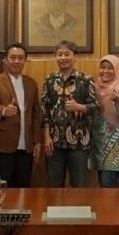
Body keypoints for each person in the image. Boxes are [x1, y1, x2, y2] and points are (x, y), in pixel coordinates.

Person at [0, 42, 42, 187]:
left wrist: (37, 141)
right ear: (5, 60)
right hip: (1, 145)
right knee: (1, 188)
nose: (16, 61)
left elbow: (36, 115)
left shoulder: (31, 83)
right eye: (13, 57)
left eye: (20, 58)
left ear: (25, 60)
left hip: (26, 146)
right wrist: (4, 110)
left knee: (23, 187)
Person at [41, 40, 97, 187]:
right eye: (59, 54)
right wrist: (46, 137)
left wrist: (79, 107)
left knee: (79, 185)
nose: (63, 58)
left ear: (75, 56)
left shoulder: (85, 79)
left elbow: (95, 107)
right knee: (54, 185)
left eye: (67, 54)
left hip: (79, 142)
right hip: (54, 142)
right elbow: (44, 110)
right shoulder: (49, 80)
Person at [92, 55, 119, 187]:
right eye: (102, 67)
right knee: (102, 184)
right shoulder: (94, 88)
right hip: (98, 143)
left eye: (110, 68)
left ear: (116, 69)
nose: (105, 71)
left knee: (108, 183)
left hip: (115, 144)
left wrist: (118, 101)